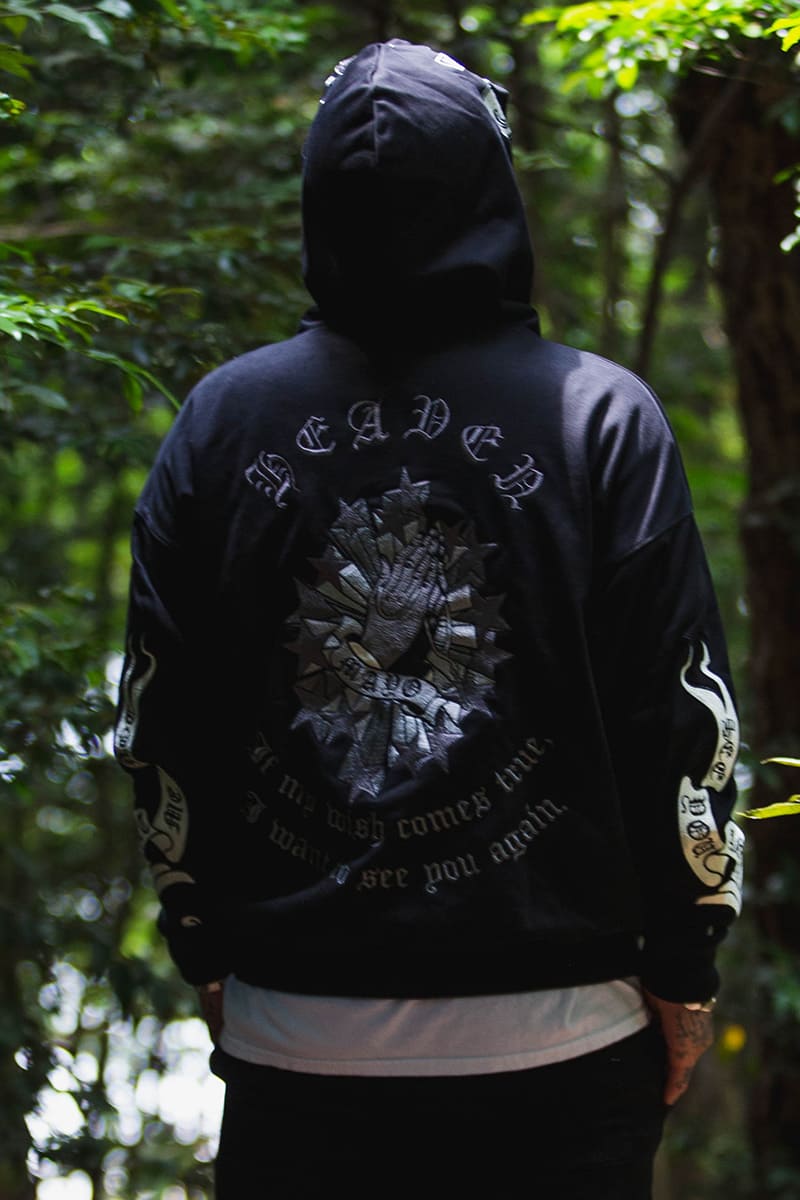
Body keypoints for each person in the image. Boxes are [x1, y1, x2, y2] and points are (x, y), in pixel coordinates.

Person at [115, 39, 744, 1199]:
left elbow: (162, 718)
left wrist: (202, 940)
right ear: (490, 189)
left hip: (297, 1044)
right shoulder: (597, 417)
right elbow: (678, 718)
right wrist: (683, 965)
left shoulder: (220, 423)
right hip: (563, 1046)